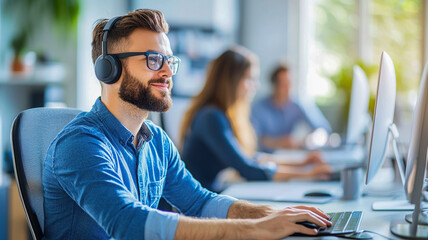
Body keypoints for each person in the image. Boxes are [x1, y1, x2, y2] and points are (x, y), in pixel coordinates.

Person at [43, 9, 331, 240]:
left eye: (169, 60)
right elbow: (129, 224)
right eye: (154, 60)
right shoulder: (80, 144)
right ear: (110, 69)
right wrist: (256, 230)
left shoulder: (156, 141)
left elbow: (200, 202)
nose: (168, 71)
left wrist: (275, 214)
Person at [180, 47, 332, 193]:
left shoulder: (221, 114)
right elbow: (247, 168)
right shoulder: (211, 117)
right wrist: (307, 174)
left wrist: (302, 163)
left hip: (209, 195)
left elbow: (251, 158)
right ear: (232, 81)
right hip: (198, 205)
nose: (255, 85)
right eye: (250, 78)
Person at [251, 64, 332, 152]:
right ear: (274, 86)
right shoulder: (259, 108)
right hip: (266, 157)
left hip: (290, 156)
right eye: (283, 85)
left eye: (289, 84)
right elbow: (253, 139)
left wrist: (308, 141)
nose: (288, 89)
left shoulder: (297, 104)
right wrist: (278, 142)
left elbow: (323, 129)